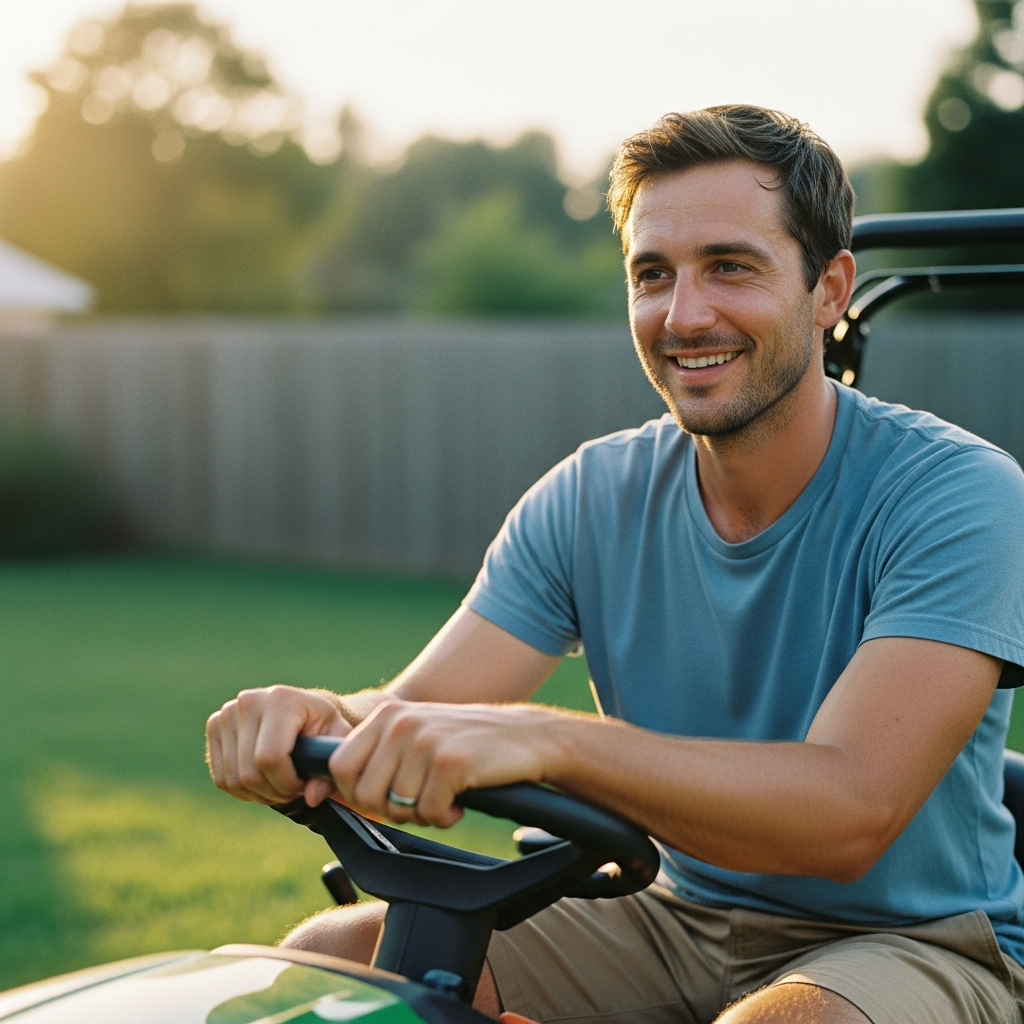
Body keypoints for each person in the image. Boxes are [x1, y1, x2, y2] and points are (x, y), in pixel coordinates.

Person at [206, 105, 1024, 1024]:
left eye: (730, 266)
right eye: (652, 274)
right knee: (336, 968)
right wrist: (319, 718)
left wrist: (553, 742)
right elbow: (417, 711)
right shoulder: (592, 495)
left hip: (916, 939)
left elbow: (850, 813)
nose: (684, 315)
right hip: (672, 917)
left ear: (830, 289)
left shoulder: (958, 495)